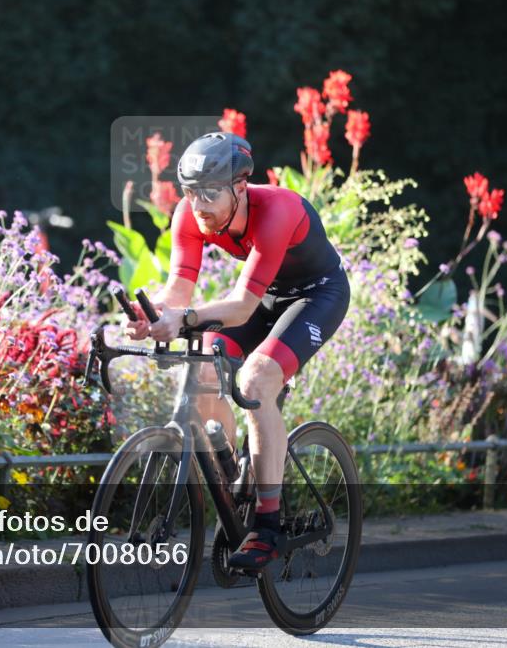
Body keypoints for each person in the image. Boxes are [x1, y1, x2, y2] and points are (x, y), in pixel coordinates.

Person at [124, 132, 351, 570]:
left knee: (256, 380)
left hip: (318, 295)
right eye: (191, 192)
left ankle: (267, 523)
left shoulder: (277, 210)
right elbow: (178, 292)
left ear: (241, 186)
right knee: (205, 368)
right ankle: (234, 475)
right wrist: (152, 313)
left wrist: (184, 318)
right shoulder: (190, 214)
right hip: (268, 296)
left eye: (210, 193)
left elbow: (242, 306)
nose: (199, 204)